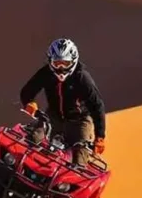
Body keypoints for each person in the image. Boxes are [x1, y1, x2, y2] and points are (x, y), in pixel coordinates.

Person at [19, 37, 106, 166]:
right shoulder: (46, 73)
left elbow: (97, 106)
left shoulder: (82, 78)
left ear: (73, 61)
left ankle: (68, 183)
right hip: (52, 117)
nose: (60, 68)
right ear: (50, 61)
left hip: (79, 121)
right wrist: (29, 104)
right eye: (56, 63)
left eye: (65, 63)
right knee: (31, 139)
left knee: (79, 160)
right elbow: (26, 92)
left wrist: (100, 136)